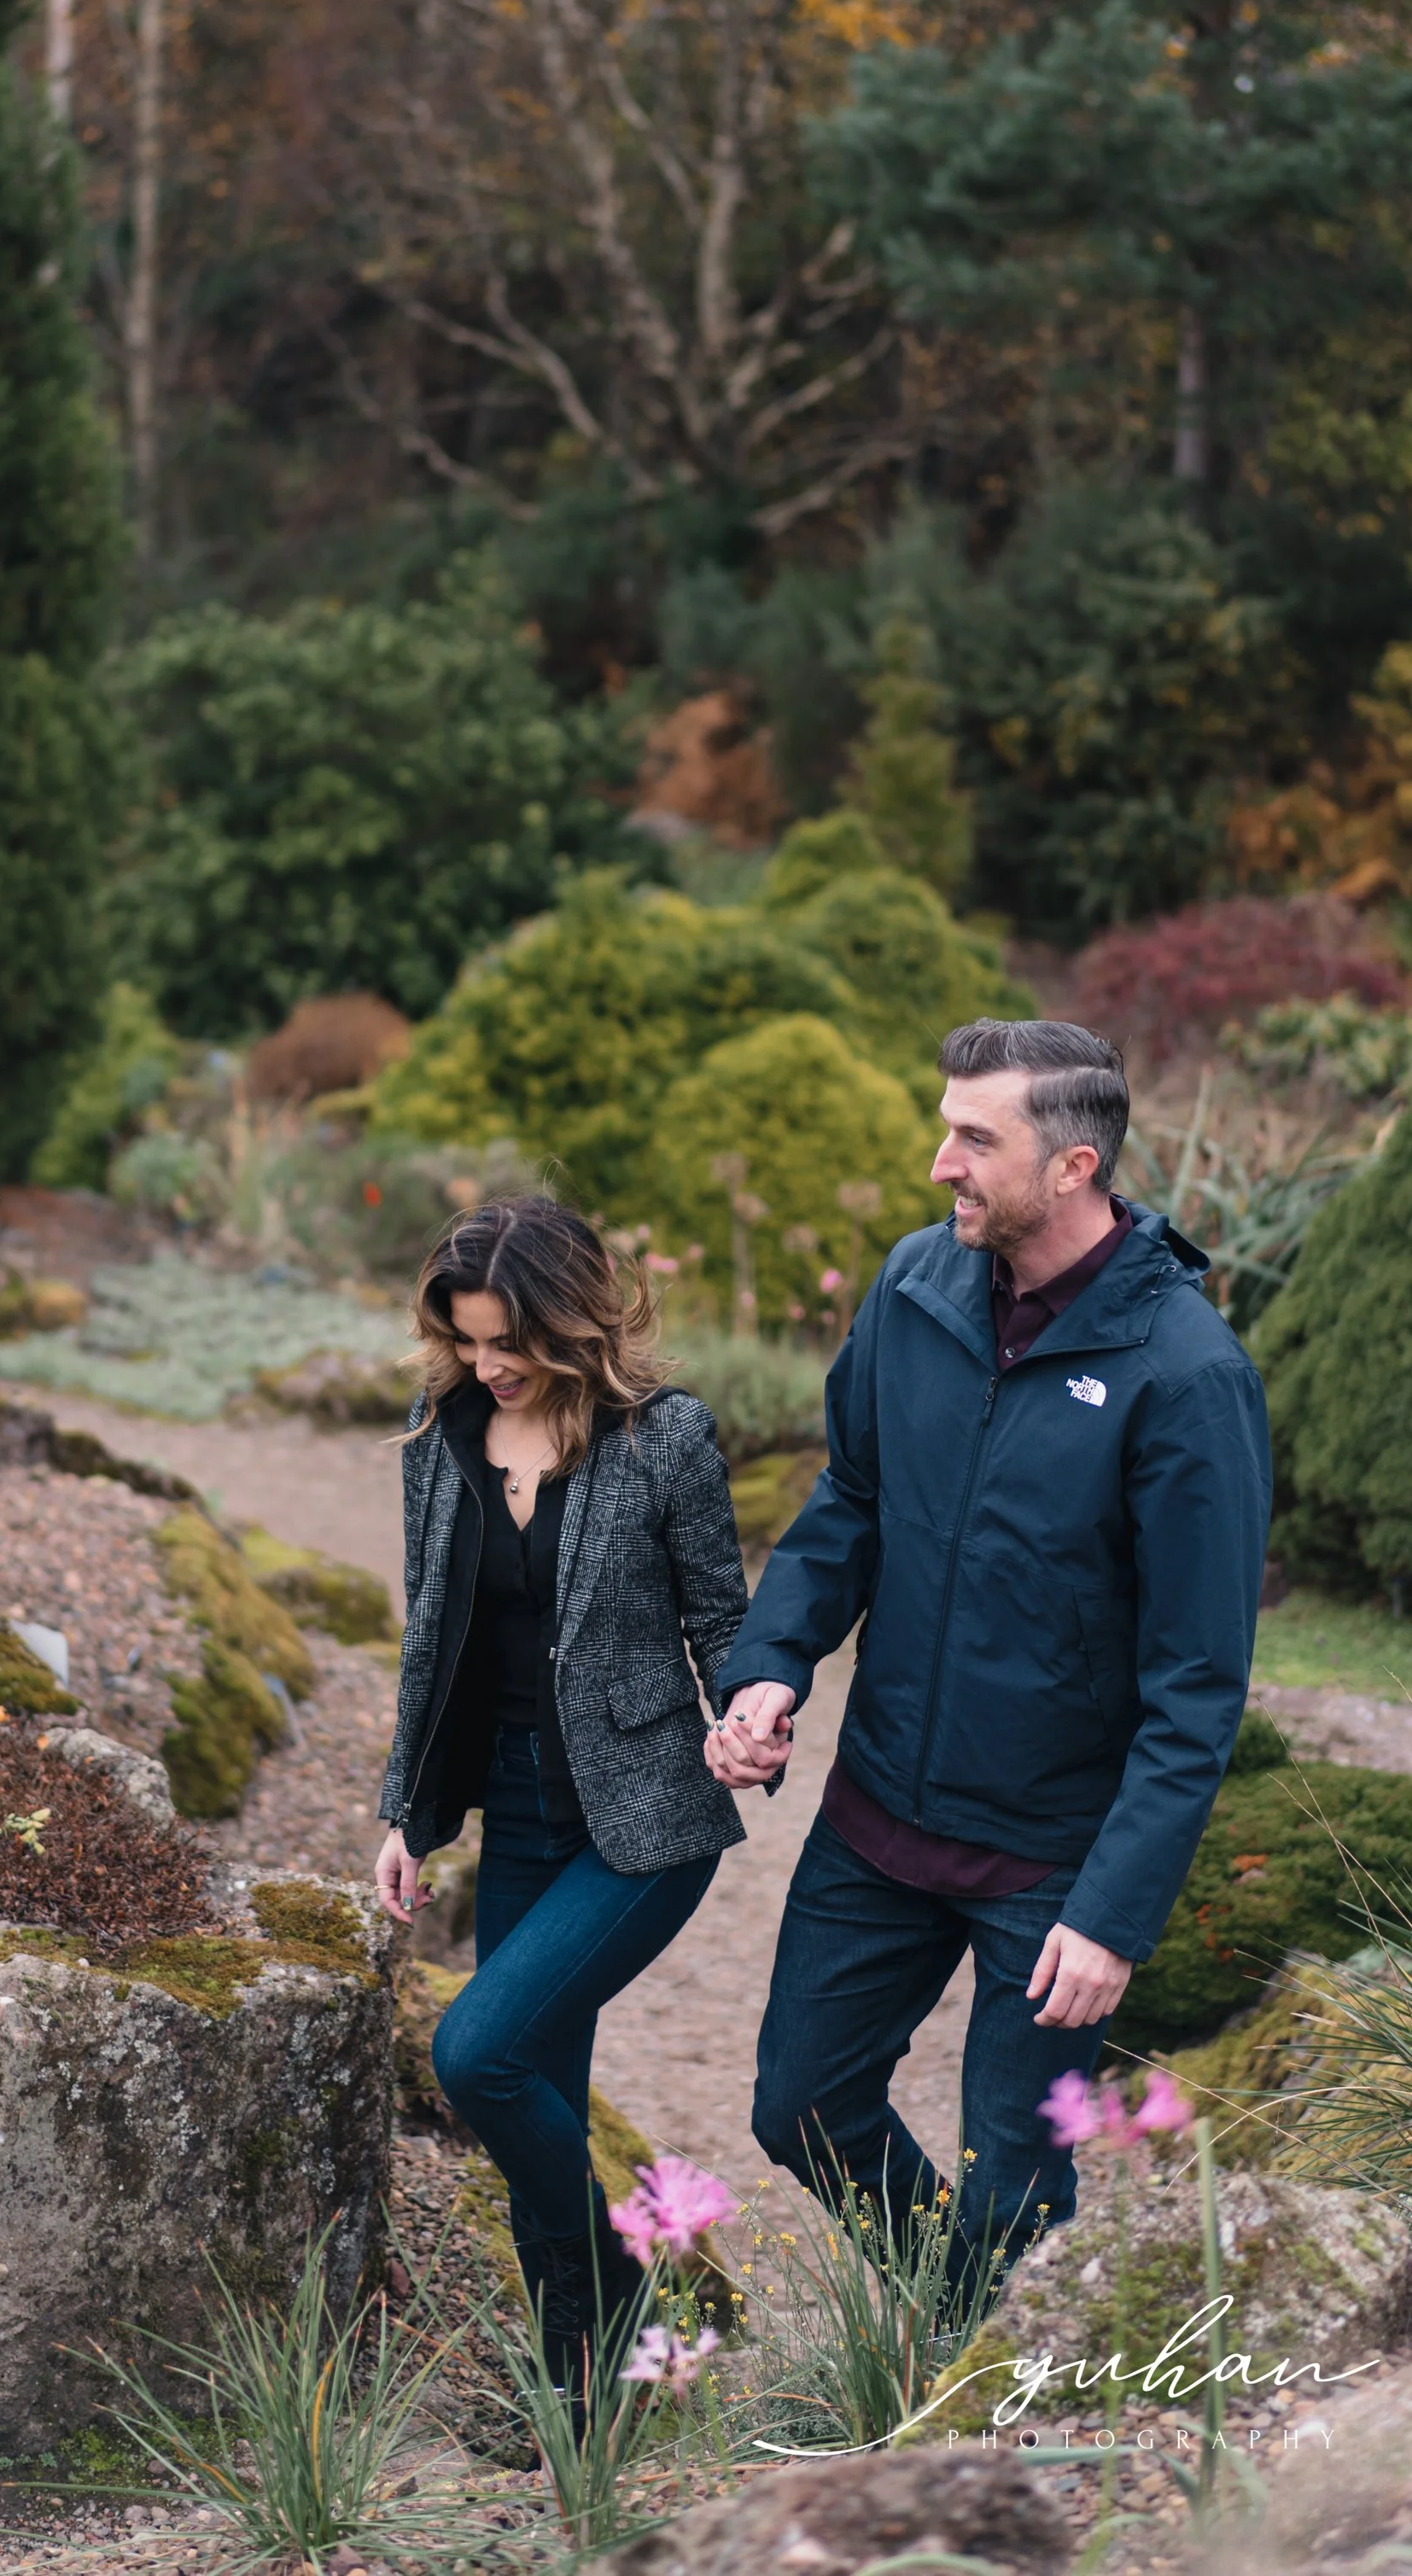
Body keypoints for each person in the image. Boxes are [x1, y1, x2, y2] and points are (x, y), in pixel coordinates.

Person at [708, 1017, 1269, 2299]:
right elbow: (850, 1498)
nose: (937, 1163)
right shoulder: (914, 1287)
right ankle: (960, 2320)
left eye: (974, 1137)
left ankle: (987, 2414)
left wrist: (1114, 1913)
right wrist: (771, 1664)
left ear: (1073, 1167)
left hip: (1052, 1869)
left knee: (1018, 2186)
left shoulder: (1185, 1376)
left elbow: (1197, 1689)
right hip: (879, 1815)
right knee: (798, 2102)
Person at [375, 1195, 748, 2399]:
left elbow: (723, 1620)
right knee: (541, 2107)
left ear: (570, 1319)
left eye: (508, 1340)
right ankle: (589, 2410)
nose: (488, 1364)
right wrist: (405, 1817)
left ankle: (632, 2294)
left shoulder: (663, 1438)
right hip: (517, 1822)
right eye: (468, 1339)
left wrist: (752, 1711)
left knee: (476, 2051)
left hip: (644, 1825)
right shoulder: (440, 1436)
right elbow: (431, 1644)